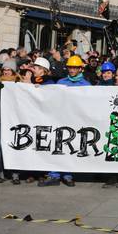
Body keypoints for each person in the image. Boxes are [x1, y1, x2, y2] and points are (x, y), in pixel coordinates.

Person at [40, 56, 89, 187]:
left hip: (76, 120)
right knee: (57, 146)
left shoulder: (86, 85)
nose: (72, 70)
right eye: (70, 67)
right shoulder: (61, 82)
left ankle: (67, 175)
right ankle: (54, 175)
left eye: (74, 67)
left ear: (80, 69)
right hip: (60, 119)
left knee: (69, 147)